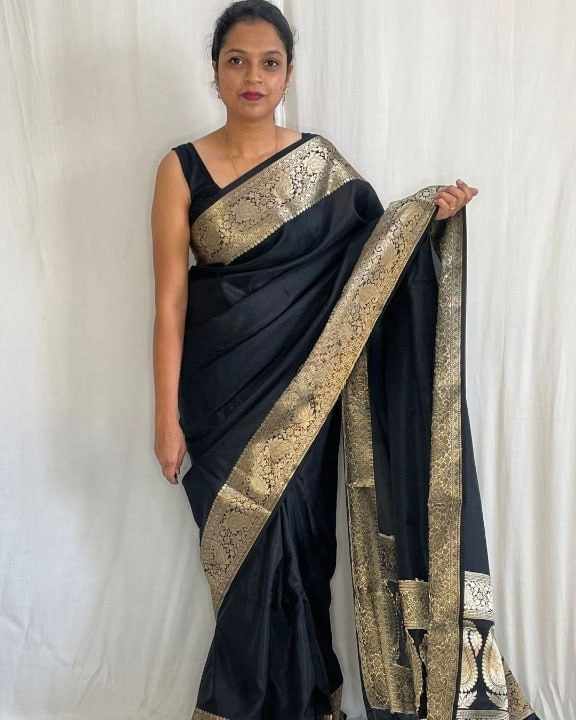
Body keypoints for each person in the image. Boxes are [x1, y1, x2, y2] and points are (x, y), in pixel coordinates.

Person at [151, 2, 540, 719]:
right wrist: (165, 418)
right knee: (242, 577)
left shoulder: (322, 168)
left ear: (288, 74)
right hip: (217, 400)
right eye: (237, 60)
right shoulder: (180, 169)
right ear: (215, 71)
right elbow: (171, 301)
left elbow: (372, 264)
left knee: (299, 557)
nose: (253, 76)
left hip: (305, 399)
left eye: (269, 62)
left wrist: (426, 219)